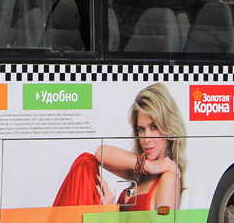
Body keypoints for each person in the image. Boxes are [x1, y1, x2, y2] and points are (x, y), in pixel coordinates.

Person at [52, 83, 187, 211]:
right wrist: (148, 166)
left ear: (168, 127)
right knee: (85, 162)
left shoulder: (168, 177)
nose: (146, 139)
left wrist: (108, 218)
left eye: (153, 127)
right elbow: (101, 153)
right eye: (141, 129)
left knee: (83, 164)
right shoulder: (141, 174)